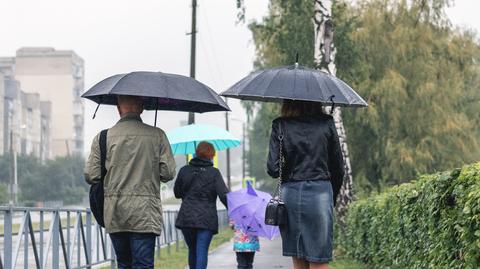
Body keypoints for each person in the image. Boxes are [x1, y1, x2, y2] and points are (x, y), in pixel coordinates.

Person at [85, 95, 176, 269]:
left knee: (124, 264)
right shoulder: (157, 135)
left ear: (119, 109)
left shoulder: (103, 138)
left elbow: (91, 175)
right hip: (145, 213)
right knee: (143, 264)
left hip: (115, 211)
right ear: (142, 107)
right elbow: (168, 173)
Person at [267, 100, 345, 269]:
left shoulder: (280, 125)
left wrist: (289, 163)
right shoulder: (326, 123)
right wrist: (332, 197)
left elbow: (273, 169)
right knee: (319, 259)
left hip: (291, 195)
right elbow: (338, 168)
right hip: (320, 193)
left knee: (298, 257)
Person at [174, 141, 229, 269]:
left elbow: (177, 193)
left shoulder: (184, 170)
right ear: (211, 155)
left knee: (192, 250)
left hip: (187, 217)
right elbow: (223, 195)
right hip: (206, 218)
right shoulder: (214, 172)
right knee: (202, 250)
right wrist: (233, 211)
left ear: (197, 153)